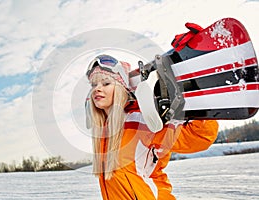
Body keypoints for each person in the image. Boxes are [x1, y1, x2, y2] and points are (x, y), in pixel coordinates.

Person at [85, 54, 219, 200]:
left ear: (120, 88)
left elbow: (198, 138)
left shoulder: (142, 121)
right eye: (94, 84)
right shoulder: (105, 132)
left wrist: (197, 96)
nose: (97, 89)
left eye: (105, 84)